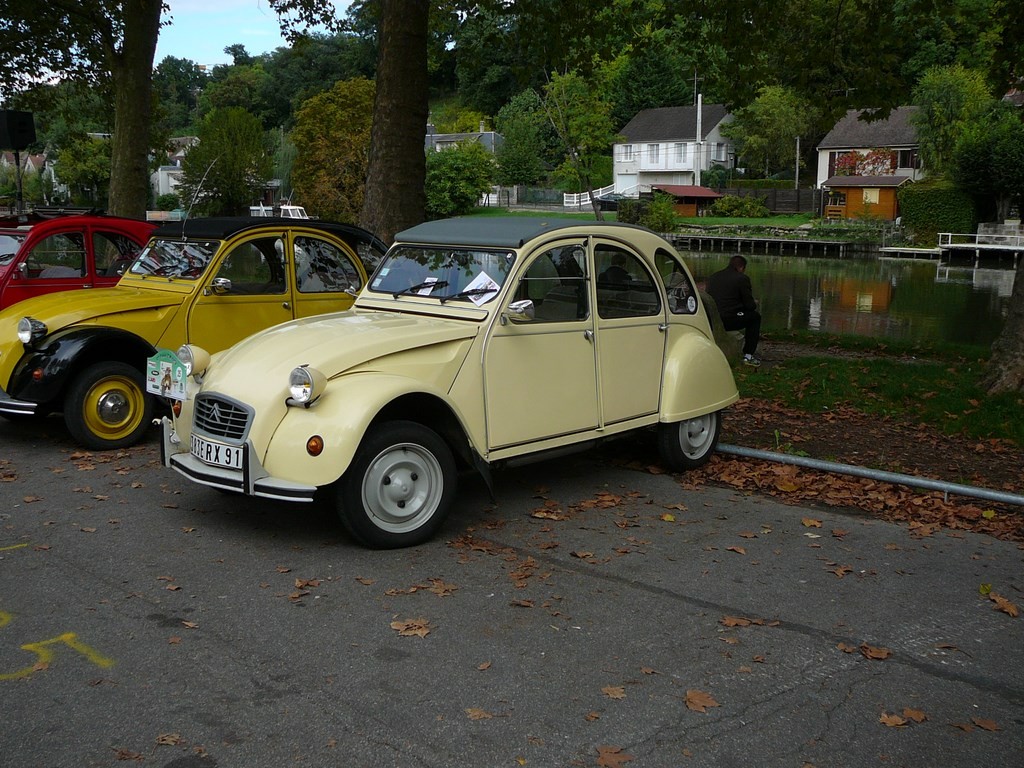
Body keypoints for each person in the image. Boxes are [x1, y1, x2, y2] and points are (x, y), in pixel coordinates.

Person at [706, 254, 762, 366]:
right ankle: (748, 355)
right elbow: (750, 306)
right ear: (741, 268)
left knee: (747, 315)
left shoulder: (714, 277)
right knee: (755, 317)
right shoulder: (742, 278)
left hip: (712, 319)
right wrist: (753, 302)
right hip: (728, 320)